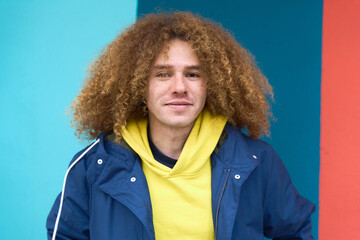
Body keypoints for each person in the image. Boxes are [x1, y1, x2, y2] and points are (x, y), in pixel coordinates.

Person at [47, 11, 315, 240]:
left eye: (193, 74)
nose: (179, 87)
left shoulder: (256, 162)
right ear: (138, 85)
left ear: (212, 84)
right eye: (163, 74)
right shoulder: (93, 166)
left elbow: (296, 231)